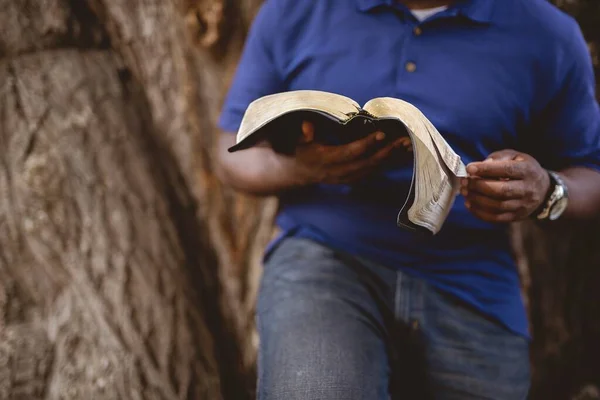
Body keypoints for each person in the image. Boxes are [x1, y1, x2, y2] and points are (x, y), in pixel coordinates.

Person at [217, 0, 600, 398]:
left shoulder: (545, 32)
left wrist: (547, 192)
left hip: (472, 279)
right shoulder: (296, 9)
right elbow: (231, 148)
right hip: (326, 252)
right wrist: (304, 170)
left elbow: (591, 175)